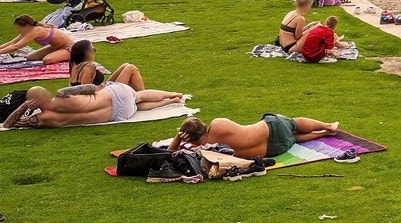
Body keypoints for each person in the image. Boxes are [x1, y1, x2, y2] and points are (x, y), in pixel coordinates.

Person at [1, 83, 186, 129]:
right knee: (138, 96)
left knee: (137, 105)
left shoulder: (43, 118)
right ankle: (171, 96)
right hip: (114, 96)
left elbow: (8, 125)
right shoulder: (62, 94)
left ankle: (170, 102)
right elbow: (91, 88)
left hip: (116, 114)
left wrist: (23, 107)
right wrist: (101, 87)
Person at [173, 113, 339, 157]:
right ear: (203, 125)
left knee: (294, 138)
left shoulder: (204, 154)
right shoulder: (217, 125)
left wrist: (178, 138)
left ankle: (323, 133)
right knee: (293, 123)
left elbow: (168, 155)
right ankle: (328, 126)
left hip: (273, 150)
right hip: (271, 128)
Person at [68, 40, 145, 89]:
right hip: (104, 95)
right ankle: (142, 95)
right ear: (87, 53)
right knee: (131, 68)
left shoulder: (73, 65)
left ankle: (140, 95)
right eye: (93, 50)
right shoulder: (89, 67)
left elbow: (71, 86)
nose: (94, 52)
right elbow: (85, 91)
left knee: (125, 65)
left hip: (104, 89)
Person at [1, 16, 77, 63]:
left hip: (68, 47)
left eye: (19, 28)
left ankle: (75, 55)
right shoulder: (28, 31)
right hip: (56, 47)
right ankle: (59, 54)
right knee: (30, 58)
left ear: (26, 26)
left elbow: (16, 47)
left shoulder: (35, 31)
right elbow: (11, 43)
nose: (18, 31)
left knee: (47, 60)